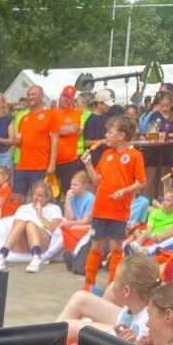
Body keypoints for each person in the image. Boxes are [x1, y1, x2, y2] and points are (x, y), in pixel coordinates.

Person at [80, 114, 146, 293]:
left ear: (121, 136)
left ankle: (111, 285)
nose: (106, 135)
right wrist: (88, 165)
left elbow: (141, 182)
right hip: (101, 208)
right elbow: (96, 181)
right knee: (96, 245)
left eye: (110, 132)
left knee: (116, 247)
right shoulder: (106, 154)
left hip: (119, 210)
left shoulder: (134, 155)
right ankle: (88, 283)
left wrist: (124, 191)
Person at [0, 179, 62, 273]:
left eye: (40, 195)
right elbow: (15, 226)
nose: (36, 198)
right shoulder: (23, 208)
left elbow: (53, 229)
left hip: (42, 238)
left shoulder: (53, 209)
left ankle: (36, 257)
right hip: (21, 242)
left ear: (47, 197)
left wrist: (40, 215)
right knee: (22, 222)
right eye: (35, 194)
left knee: (30, 223)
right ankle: (2, 255)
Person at [12, 85, 59, 202]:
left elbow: (55, 140)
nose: (30, 97)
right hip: (22, 165)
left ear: (42, 96)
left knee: (39, 200)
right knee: (16, 198)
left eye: (33, 94)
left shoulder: (51, 114)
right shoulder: (24, 118)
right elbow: (18, 141)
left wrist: (52, 164)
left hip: (40, 166)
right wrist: (15, 141)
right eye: (28, 95)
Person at [55, 85, 84, 194]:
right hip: (52, 160)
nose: (66, 100)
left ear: (72, 100)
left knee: (70, 191)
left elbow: (74, 129)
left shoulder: (75, 113)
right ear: (60, 96)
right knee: (51, 192)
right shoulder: (51, 113)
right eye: (65, 96)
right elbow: (48, 131)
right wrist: (63, 129)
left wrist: (56, 130)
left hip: (70, 160)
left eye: (69, 98)